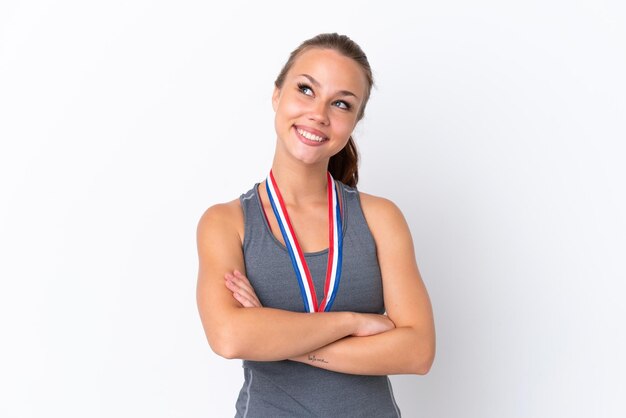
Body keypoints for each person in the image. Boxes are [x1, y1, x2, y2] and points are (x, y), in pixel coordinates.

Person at [196, 33, 436, 417]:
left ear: (354, 122)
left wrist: (273, 334)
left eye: (341, 103)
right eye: (306, 89)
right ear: (277, 95)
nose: (319, 114)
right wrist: (352, 322)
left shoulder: (379, 218)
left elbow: (418, 351)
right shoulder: (226, 222)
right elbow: (228, 336)